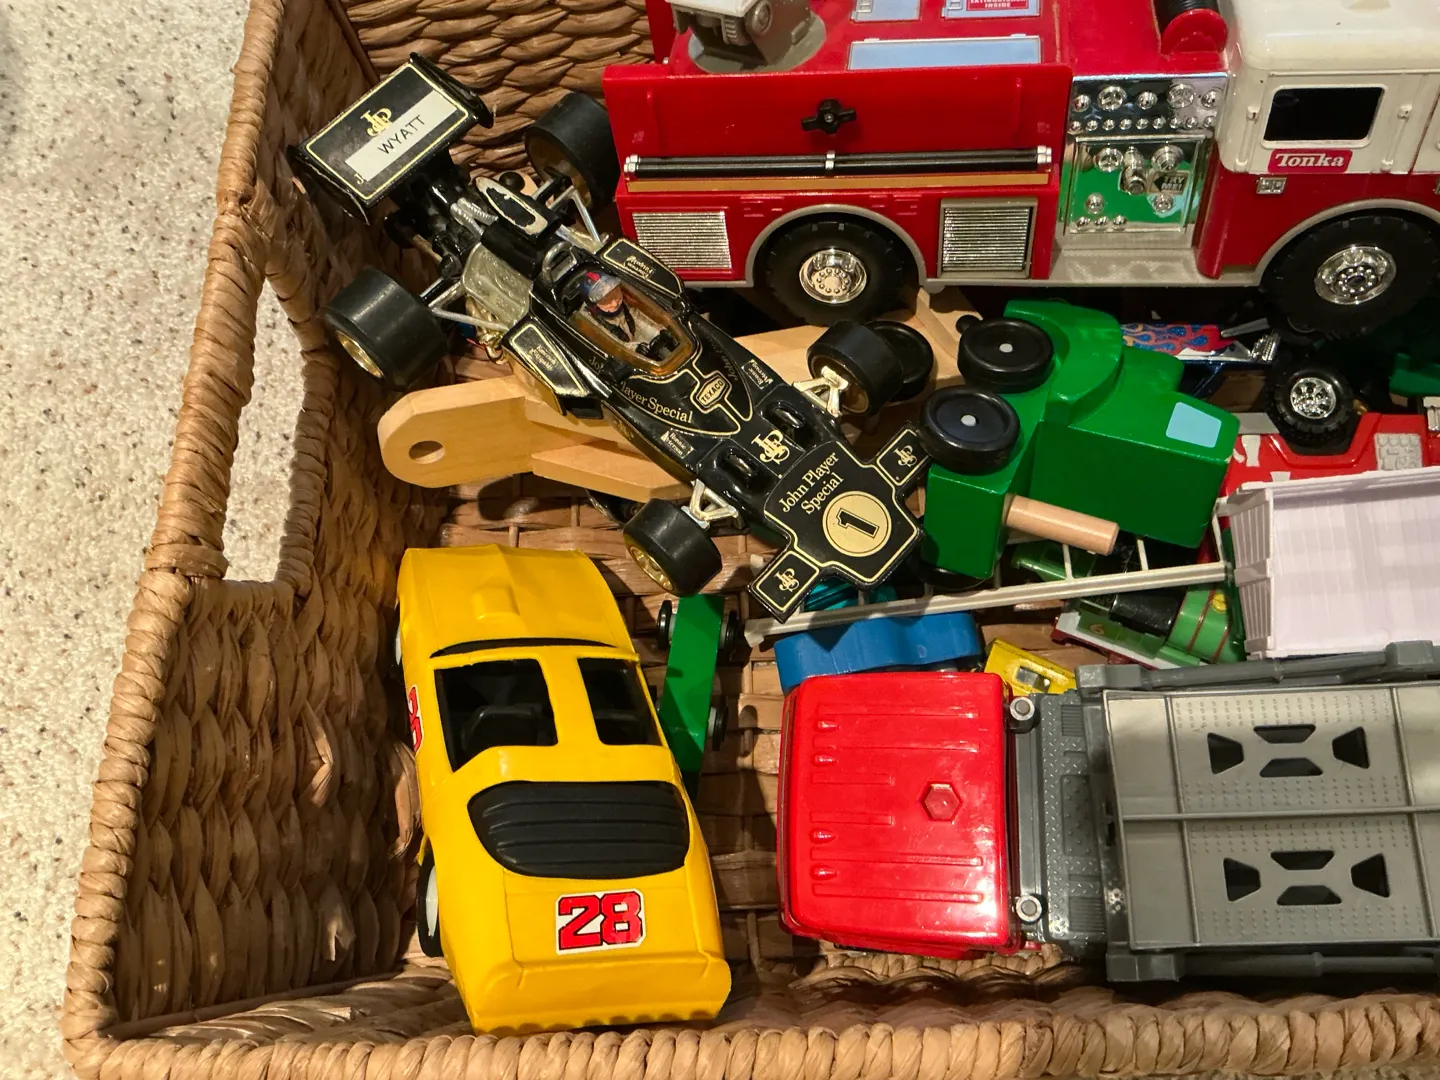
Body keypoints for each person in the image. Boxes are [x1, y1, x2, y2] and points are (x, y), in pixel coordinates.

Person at [583, 271, 636, 343]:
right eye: (605, 301)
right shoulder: (591, 324)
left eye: (616, 294)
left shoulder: (628, 303)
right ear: (594, 306)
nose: (615, 304)